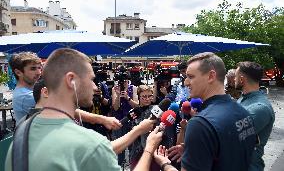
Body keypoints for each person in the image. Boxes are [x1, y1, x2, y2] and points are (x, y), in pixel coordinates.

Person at [5, 48, 162, 171]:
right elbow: (94, 148)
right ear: (71, 80)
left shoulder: (22, 132)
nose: (95, 87)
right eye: (92, 79)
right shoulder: (89, 143)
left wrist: (102, 119)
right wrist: (149, 148)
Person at [168, 52, 257, 171]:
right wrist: (197, 151)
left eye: (191, 76)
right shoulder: (243, 111)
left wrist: (165, 165)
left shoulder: (200, 124)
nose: (186, 82)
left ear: (211, 76)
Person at [235, 61, 275, 171]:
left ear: (242, 79)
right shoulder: (244, 98)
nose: (234, 79)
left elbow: (233, 134)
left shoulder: (260, 108)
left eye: (236, 76)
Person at [8, 52, 42, 123]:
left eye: (39, 68)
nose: (39, 72)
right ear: (18, 73)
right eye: (33, 69)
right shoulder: (26, 96)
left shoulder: (26, 91)